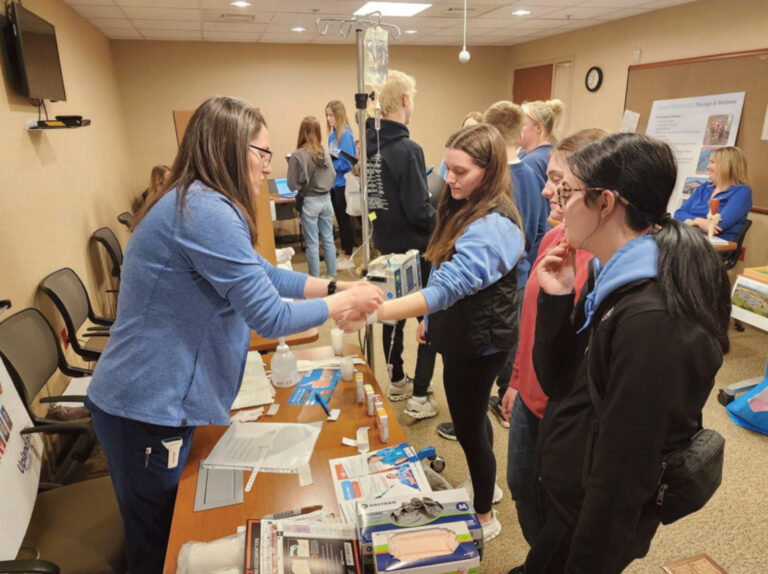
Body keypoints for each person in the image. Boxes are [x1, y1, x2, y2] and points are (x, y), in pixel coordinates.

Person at [84, 96, 383, 574]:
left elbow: (265, 274)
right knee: (159, 542)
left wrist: (335, 287)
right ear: (229, 148)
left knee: (165, 525)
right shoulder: (204, 210)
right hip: (143, 404)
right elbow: (270, 317)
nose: (268, 167)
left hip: (155, 399)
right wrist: (344, 304)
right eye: (262, 154)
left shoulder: (199, 201)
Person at [524, 133, 730, 573]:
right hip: (573, 494)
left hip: (593, 516)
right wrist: (557, 298)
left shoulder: (653, 321)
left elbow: (625, 473)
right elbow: (558, 381)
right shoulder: (608, 272)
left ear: (605, 203)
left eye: (566, 192)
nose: (555, 201)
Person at [341, 123, 525, 542]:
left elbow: (447, 288)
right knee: (471, 418)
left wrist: (374, 312)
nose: (449, 179)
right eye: (448, 168)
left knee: (468, 426)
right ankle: (485, 485)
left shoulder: (495, 225)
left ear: (489, 170)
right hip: (463, 331)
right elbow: (443, 266)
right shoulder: (466, 204)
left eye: (461, 171)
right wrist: (430, 321)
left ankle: (484, 515)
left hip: (481, 342)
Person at [494, 129, 608, 553]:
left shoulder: (606, 263)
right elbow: (532, 323)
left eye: (558, 182)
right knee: (522, 484)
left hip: (569, 411)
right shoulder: (553, 239)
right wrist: (515, 381)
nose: (546, 191)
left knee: (562, 505)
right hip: (530, 395)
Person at [437, 101, 548, 438]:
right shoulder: (530, 178)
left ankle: (500, 404)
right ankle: (497, 403)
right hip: (516, 282)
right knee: (498, 360)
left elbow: (454, 281)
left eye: (460, 171)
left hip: (495, 297)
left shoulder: (499, 202)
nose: (451, 179)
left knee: (492, 358)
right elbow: (539, 233)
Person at [365, 69, 438, 420]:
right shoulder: (408, 149)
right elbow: (419, 211)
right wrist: (443, 219)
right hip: (416, 248)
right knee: (428, 316)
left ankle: (395, 380)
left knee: (391, 315)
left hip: (385, 243)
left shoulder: (370, 147)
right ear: (406, 100)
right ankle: (420, 392)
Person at [287, 116, 337, 277]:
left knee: (312, 244)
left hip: (310, 202)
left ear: (302, 132)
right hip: (327, 200)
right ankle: (332, 276)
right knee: (329, 239)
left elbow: (292, 184)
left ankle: (315, 280)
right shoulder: (324, 152)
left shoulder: (298, 155)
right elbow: (333, 174)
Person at [673, 146, 752, 241]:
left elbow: (717, 226)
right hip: (689, 238)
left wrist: (691, 221)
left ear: (726, 166)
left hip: (715, 244)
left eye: (712, 162)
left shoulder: (742, 191)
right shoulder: (704, 187)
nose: (708, 166)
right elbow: (678, 214)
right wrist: (699, 221)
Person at [325, 100, 357, 270]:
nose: (329, 118)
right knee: (339, 220)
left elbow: (348, 162)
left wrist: (331, 165)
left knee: (345, 221)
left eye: (331, 115)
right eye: (327, 115)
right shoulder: (332, 136)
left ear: (339, 115)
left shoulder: (346, 135)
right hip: (334, 184)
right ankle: (344, 251)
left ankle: (348, 255)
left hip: (344, 183)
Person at [518, 99, 565, 181]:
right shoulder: (552, 153)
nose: (516, 128)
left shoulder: (532, 161)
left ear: (539, 128)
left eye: (521, 125)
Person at [438, 111, 483, 179]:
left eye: (473, 130)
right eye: (465, 129)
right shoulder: (450, 156)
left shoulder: (482, 162)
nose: (467, 133)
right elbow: (441, 181)